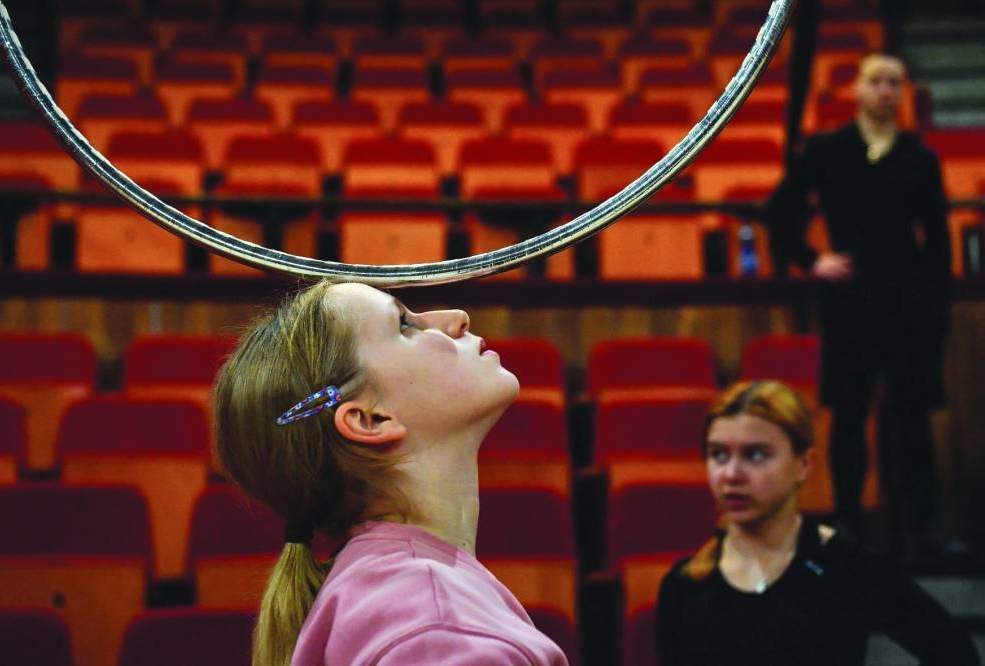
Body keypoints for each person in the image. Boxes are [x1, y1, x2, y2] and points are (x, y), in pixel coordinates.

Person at [213, 280, 569, 666]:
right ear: (370, 419)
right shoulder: (434, 622)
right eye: (403, 324)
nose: (456, 319)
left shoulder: (398, 598)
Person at [763, 52, 957, 556]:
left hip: (908, 304)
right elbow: (780, 212)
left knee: (913, 419)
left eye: (895, 82)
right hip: (850, 304)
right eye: (876, 81)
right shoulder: (829, 150)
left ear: (903, 92)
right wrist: (812, 259)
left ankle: (924, 529)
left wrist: (938, 308)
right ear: (857, 90)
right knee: (848, 419)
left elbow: (938, 241)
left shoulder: (920, 157)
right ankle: (847, 524)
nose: (886, 91)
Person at [654, 381, 979, 666]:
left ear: (804, 464)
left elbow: (954, 653)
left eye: (755, 455)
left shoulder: (847, 566)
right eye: (718, 455)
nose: (731, 475)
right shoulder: (686, 586)